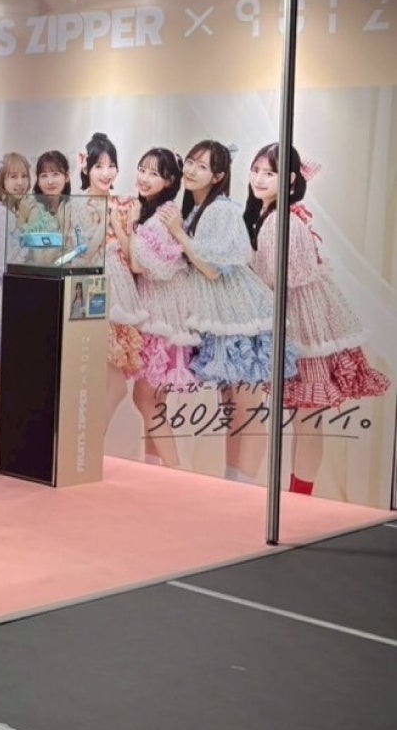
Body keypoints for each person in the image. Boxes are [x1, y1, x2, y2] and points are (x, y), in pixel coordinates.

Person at [245, 144, 390, 495]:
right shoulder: (275, 216)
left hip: (302, 330)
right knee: (305, 418)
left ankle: (300, 497)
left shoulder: (283, 221)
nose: (259, 179)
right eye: (256, 170)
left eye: (269, 173)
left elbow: (285, 277)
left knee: (307, 418)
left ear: (290, 179)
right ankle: (298, 495)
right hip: (301, 326)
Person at [167, 140, 296, 484]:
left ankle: (246, 487)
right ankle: (233, 482)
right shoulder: (199, 209)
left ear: (219, 176)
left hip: (241, 319)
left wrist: (178, 233)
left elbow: (212, 269)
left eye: (202, 166)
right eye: (190, 162)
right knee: (232, 406)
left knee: (245, 408)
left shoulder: (221, 210)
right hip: (222, 319)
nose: (191, 170)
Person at [115, 147, 193, 467]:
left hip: (160, 322)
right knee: (155, 402)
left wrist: (124, 228)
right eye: (142, 169)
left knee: (145, 398)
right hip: (164, 319)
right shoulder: (157, 212)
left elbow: (138, 264)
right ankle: (158, 472)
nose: (144, 178)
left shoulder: (160, 219)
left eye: (154, 173)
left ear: (170, 181)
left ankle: (176, 471)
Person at [79, 133, 147, 442]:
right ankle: (87, 445)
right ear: (86, 169)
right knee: (108, 384)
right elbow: (82, 254)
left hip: (121, 294)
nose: (106, 173)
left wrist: (119, 224)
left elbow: (133, 258)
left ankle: (87, 446)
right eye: (98, 166)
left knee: (113, 385)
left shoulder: (126, 204)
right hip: (93, 291)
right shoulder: (77, 205)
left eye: (111, 166)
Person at [0, 152, 31, 427]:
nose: (20, 182)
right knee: (11, 378)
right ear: (2, 180)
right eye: (13, 176)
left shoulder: (7, 211)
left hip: (1, 298)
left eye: (24, 176)